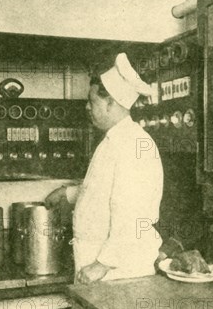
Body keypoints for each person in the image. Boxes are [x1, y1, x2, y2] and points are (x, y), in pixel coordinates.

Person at [46, 53, 164, 284]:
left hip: (118, 270)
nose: (87, 107)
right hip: (100, 265)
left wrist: (102, 264)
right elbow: (103, 190)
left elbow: (134, 213)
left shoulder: (135, 145)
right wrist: (67, 194)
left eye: (92, 101)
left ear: (111, 102)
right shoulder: (113, 140)